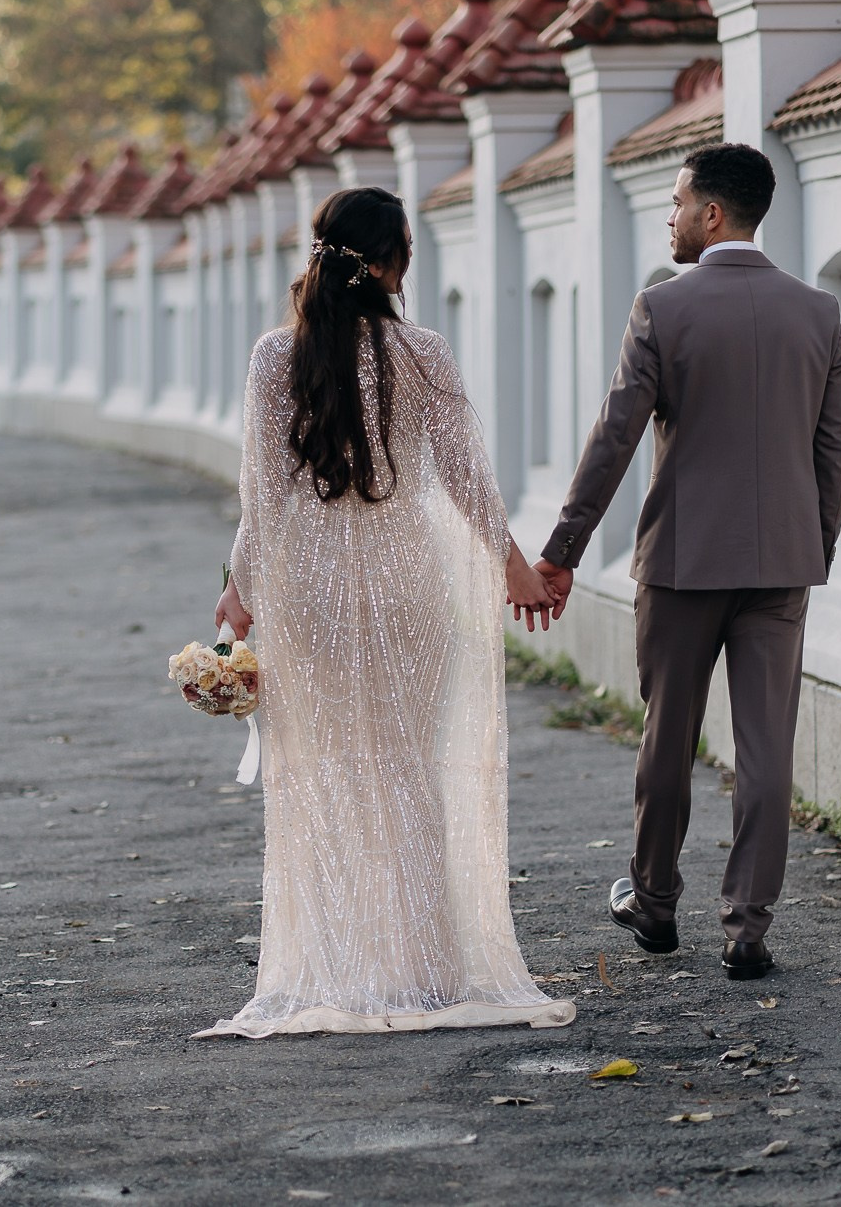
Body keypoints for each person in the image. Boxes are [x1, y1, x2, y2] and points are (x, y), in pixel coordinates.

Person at [197, 186, 576, 1039]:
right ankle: (428, 968)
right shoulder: (425, 352)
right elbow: (466, 479)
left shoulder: (272, 359)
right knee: (408, 768)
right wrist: (514, 566)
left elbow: (265, 495)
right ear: (395, 262)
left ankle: (346, 962)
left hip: (316, 594)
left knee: (329, 775)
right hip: (411, 586)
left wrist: (238, 588)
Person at [534, 143, 841, 982]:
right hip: (783, 563)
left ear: (712, 213)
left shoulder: (662, 310)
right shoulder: (817, 314)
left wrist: (562, 550)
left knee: (668, 736)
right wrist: (812, 544)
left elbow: (614, 439)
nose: (669, 217)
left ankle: (655, 899)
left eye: (676, 202)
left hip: (680, 564)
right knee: (766, 748)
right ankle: (748, 927)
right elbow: (833, 450)